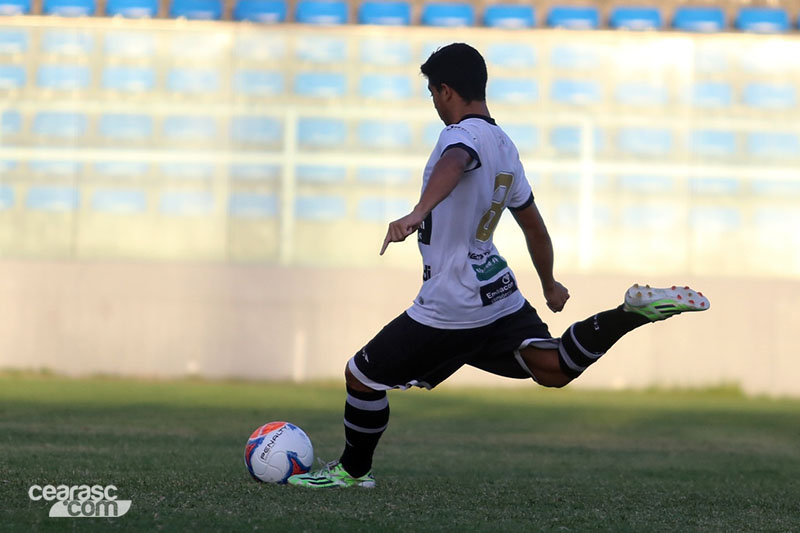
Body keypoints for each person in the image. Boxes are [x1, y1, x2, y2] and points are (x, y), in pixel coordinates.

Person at [288, 43, 709, 489]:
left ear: (446, 91)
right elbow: (535, 228)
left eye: (433, 93)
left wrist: (416, 213)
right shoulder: (506, 146)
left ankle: (353, 473)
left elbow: (454, 164)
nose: (434, 103)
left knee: (362, 376)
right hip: (497, 291)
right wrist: (549, 284)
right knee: (553, 368)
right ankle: (629, 314)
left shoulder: (459, 137)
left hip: (452, 301)